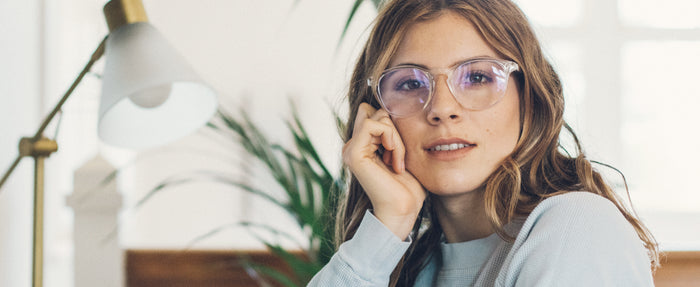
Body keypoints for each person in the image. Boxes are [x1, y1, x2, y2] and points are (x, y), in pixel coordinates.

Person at [309, 0, 659, 286]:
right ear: (375, 116)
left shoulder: (578, 227)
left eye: (477, 77)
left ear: (529, 97)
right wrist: (388, 224)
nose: (442, 109)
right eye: (410, 84)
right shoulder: (408, 263)